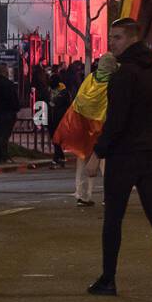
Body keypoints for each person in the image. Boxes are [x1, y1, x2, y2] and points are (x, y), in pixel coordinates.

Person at [87, 18, 152, 297]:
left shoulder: (124, 73)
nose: (111, 42)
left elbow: (116, 120)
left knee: (113, 218)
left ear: (131, 39)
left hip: (124, 155)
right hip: (151, 153)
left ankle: (108, 278)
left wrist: (97, 153)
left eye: (116, 37)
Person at [54, 53, 118, 206]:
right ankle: (109, 196)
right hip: (102, 125)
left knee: (83, 159)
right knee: (105, 162)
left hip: (83, 123)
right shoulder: (114, 82)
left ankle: (83, 195)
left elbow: (79, 99)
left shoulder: (90, 78)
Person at [0, 65, 21, 162]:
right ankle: (4, 155)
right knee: (4, 135)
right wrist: (16, 108)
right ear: (5, 72)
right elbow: (13, 99)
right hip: (8, 112)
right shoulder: (8, 84)